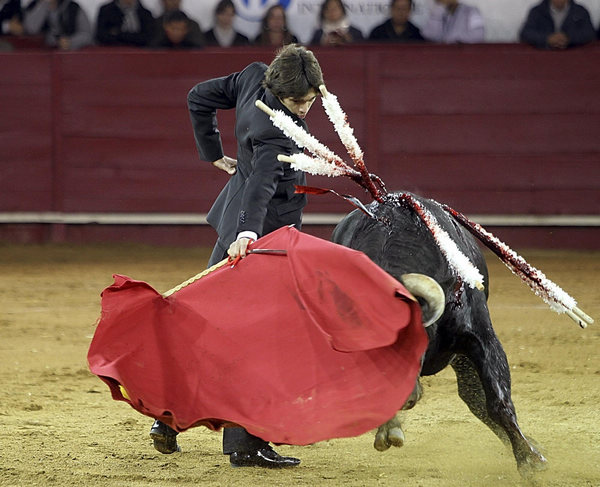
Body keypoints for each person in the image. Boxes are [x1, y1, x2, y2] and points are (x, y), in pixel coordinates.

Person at [149, 44, 325, 468]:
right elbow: (262, 183)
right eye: (294, 101)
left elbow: (198, 96)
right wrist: (249, 233)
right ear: (276, 90)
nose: (302, 109)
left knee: (208, 327)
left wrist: (212, 154)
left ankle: (169, 418)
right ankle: (245, 443)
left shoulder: (251, 77)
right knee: (259, 339)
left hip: (236, 224)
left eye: (308, 100)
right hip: (260, 235)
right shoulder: (276, 130)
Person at [519, 0, 596, 49]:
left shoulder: (580, 11)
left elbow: (589, 33)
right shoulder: (537, 11)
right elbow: (526, 33)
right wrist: (548, 39)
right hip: (543, 59)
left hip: (573, 59)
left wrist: (568, 38)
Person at [23, 0, 93, 50]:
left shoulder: (73, 7)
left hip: (70, 54)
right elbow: (31, 29)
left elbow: (87, 34)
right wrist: (43, 4)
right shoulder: (33, 6)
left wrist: (70, 42)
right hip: (42, 56)